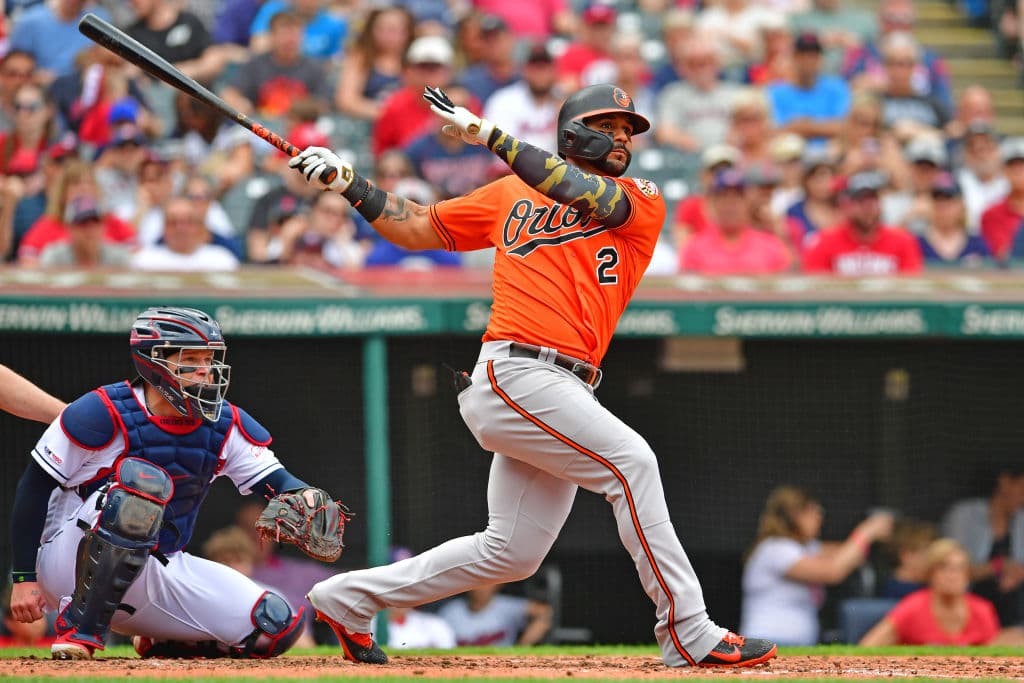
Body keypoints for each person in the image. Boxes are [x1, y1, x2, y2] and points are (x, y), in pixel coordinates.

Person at [288, 83, 778, 668]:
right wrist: (350, 184)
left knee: (512, 553)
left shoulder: (640, 197)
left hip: (564, 384)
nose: (623, 137)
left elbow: (578, 190)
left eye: (629, 130)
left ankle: (346, 599)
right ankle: (689, 631)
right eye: (610, 125)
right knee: (633, 464)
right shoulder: (509, 193)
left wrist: (492, 136)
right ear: (573, 132)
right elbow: (420, 226)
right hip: (516, 371)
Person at [7, 306, 334, 660]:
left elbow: (276, 480)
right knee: (139, 491)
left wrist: (306, 496)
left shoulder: (224, 422)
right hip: (67, 564)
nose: (205, 370)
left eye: (209, 359)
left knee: (271, 626)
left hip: (157, 567)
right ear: (154, 361)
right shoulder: (101, 410)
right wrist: (24, 578)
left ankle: (161, 641)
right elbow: (34, 488)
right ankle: (81, 631)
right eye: (191, 359)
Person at [740, 486, 894, 646]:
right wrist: (867, 531)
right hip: (769, 641)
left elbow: (845, 554)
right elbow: (832, 571)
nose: (819, 517)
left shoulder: (807, 547)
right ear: (795, 515)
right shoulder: (775, 548)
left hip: (795, 643)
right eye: (813, 511)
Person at [860, 539, 1024, 646]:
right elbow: (866, 648)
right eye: (944, 567)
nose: (952, 575)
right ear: (930, 573)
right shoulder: (913, 607)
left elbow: (994, 659)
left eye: (959, 569)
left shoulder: (982, 610)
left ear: (968, 576)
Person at [940, 466, 1024, 628]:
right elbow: (953, 570)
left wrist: (1016, 574)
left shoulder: (1021, 520)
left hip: (1012, 611)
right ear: (1005, 482)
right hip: (967, 605)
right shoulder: (964, 515)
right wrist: (1000, 566)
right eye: (1022, 487)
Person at [801, 170, 923, 275]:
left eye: (872, 200)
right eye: (860, 201)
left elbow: (911, 288)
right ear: (848, 205)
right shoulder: (825, 241)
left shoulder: (903, 241)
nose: (867, 208)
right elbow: (815, 289)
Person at [438, 583, 551, 646]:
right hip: (462, 667)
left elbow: (544, 611)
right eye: (476, 583)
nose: (480, 589)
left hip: (502, 664)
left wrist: (523, 645)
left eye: (486, 583)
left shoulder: (507, 606)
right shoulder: (451, 611)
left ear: (496, 586)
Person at [880, 519, 937, 599]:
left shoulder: (930, 585)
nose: (931, 559)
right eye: (924, 553)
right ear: (905, 555)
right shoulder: (897, 590)